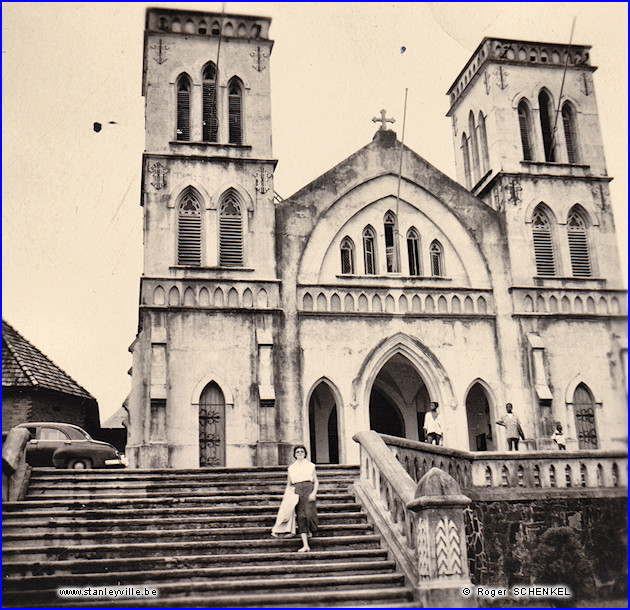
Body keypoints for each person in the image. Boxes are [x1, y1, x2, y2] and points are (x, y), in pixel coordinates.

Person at [285, 445, 319, 552]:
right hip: (297, 491)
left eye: (302, 452)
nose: (300, 453)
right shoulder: (291, 468)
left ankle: (310, 530)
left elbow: (316, 481)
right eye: (297, 452)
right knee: (301, 516)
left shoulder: (310, 466)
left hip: (308, 489)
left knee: (309, 514)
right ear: (294, 455)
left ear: (305, 453)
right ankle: (305, 545)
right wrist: (287, 497)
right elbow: (289, 484)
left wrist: (314, 493)